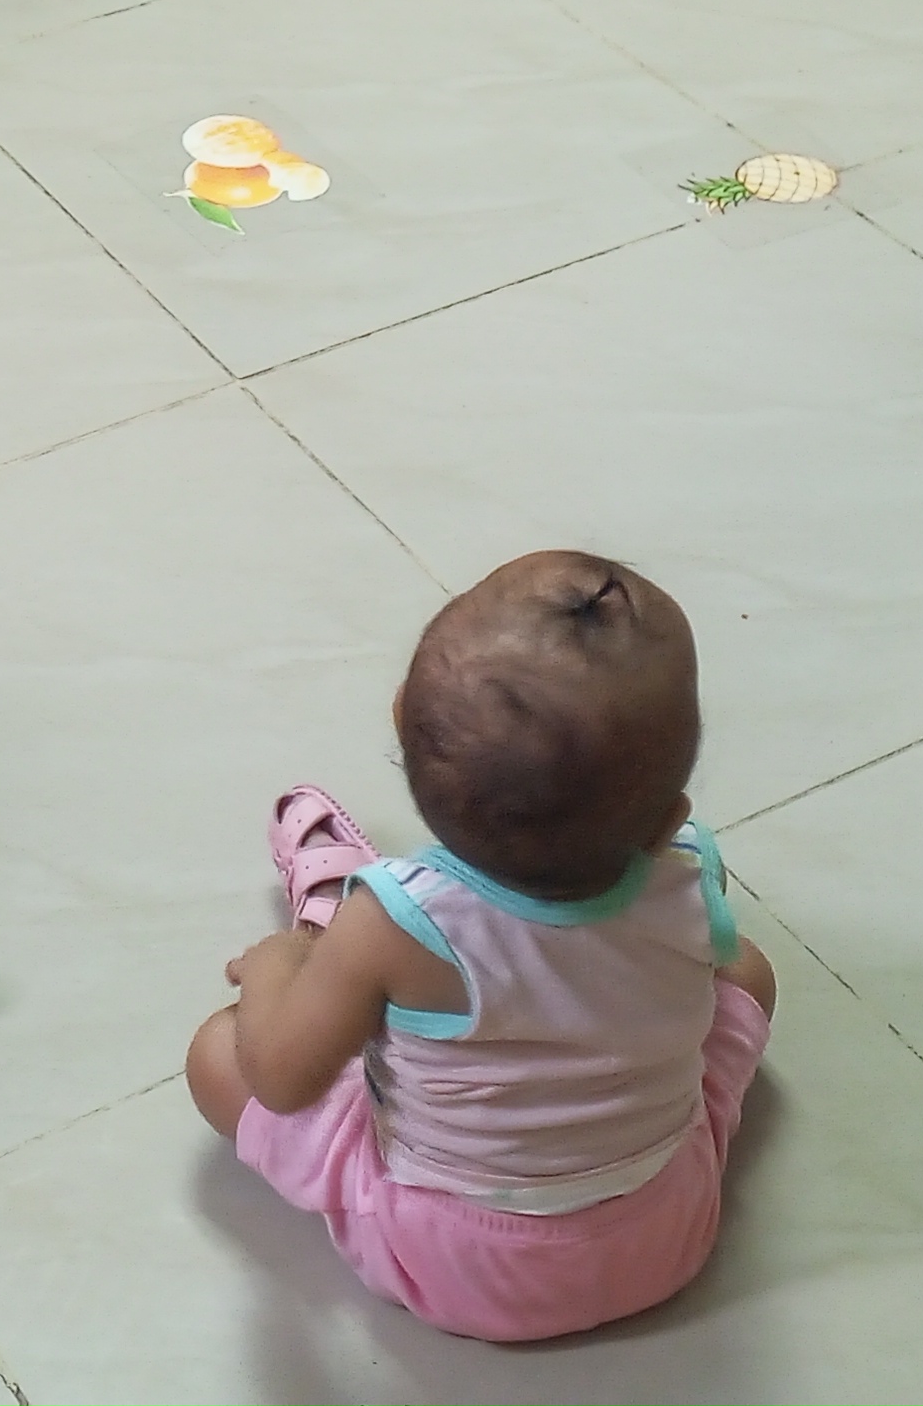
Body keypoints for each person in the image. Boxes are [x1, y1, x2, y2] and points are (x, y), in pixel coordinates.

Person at [185, 553, 775, 1346]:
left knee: (217, 1055)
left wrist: (274, 971)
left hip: (452, 1263)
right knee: (746, 971)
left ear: (400, 718)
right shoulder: (690, 873)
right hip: (663, 1236)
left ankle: (310, 947)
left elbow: (283, 1080)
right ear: (671, 818)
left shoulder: (392, 921)